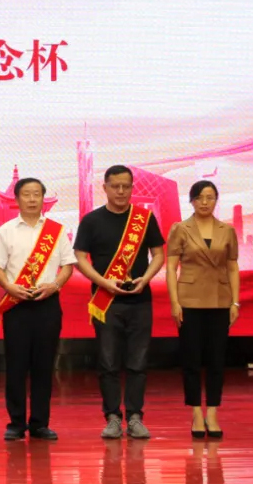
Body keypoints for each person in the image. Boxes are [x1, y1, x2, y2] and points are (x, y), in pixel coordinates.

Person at [74, 165, 165, 440]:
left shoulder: (144, 219)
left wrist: (145, 279)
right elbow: (80, 257)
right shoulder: (92, 220)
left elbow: (159, 254)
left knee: (138, 362)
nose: (121, 191)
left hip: (140, 300)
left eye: (126, 186)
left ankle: (135, 417)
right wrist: (102, 282)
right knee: (108, 362)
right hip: (106, 301)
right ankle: (112, 417)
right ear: (105, 188)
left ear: (132, 188)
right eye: (115, 186)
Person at [0, 177, 76, 441]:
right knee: (16, 364)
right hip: (16, 304)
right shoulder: (6, 231)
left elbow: (68, 265)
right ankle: (16, 423)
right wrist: (10, 287)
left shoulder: (56, 231)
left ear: (43, 198)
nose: (31, 199)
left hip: (47, 303)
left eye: (36, 194)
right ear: (17, 199)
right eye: (26, 194)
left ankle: (40, 423)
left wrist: (55, 285)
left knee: (43, 365)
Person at [165, 180, 240, 439]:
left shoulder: (227, 230)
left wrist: (235, 302)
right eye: (199, 197)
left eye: (210, 197)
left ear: (216, 200)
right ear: (192, 201)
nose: (205, 202)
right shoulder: (180, 228)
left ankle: (213, 413)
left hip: (220, 300)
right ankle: (196, 412)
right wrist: (175, 302)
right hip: (189, 302)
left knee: (217, 360)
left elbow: (232, 267)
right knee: (192, 360)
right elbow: (171, 268)